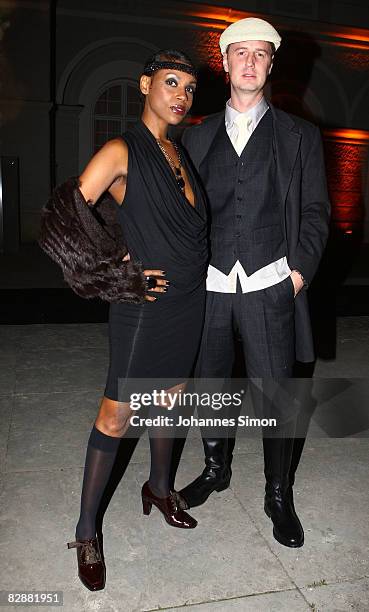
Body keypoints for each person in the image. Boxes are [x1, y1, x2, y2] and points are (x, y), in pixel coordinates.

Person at [178, 18, 330, 548]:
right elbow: (179, 215)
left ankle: (277, 493)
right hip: (210, 285)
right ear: (224, 63)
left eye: (259, 54)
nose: (249, 62)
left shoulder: (300, 135)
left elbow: (315, 212)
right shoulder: (194, 137)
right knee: (209, 385)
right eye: (239, 53)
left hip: (271, 282)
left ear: (270, 64)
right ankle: (216, 469)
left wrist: (297, 274)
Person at [64, 50, 208, 591]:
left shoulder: (178, 151)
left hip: (188, 303)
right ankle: (85, 530)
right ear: (146, 83)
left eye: (190, 89)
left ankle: (158, 487)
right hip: (144, 308)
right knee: (117, 415)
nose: (180, 95)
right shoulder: (122, 149)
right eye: (171, 83)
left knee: (170, 400)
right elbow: (69, 216)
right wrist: (116, 272)